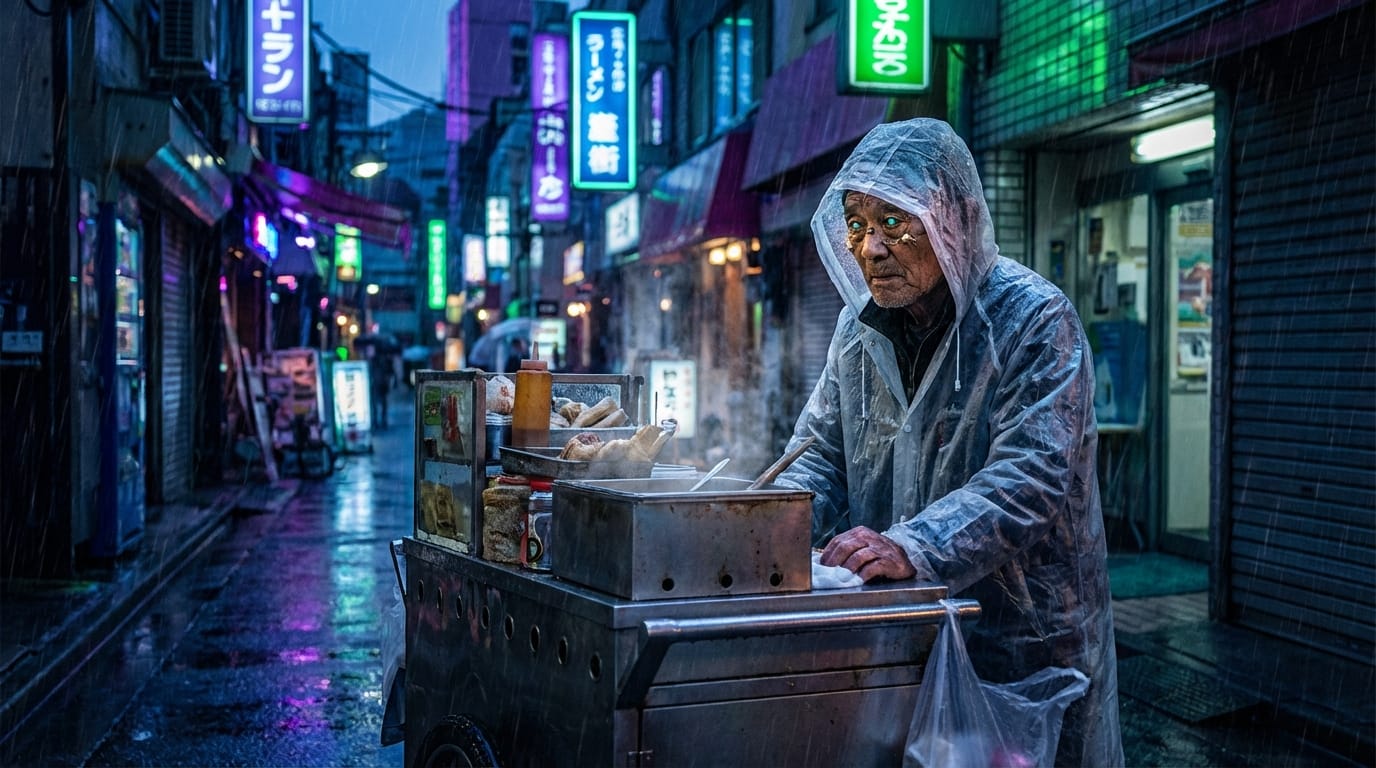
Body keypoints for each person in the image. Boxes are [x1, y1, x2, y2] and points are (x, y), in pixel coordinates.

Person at [775, 118, 1123, 766]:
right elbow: (819, 452)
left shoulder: (1032, 320)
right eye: (855, 224)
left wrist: (914, 545)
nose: (871, 247)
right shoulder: (859, 332)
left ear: (957, 217)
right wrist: (762, 530)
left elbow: (1031, 475)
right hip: (902, 642)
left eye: (894, 222)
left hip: (1023, 650)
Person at [368, 347, 394, 429]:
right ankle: (380, 420)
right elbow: (391, 372)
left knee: (378, 403)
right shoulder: (385, 360)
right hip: (381, 383)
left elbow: (390, 372)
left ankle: (378, 421)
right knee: (382, 403)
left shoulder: (375, 360)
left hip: (378, 383)